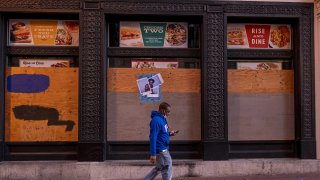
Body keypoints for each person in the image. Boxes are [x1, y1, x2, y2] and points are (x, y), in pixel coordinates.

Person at [143, 102, 179, 180]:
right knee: (167, 167)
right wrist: (153, 154)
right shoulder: (156, 121)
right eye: (168, 111)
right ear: (163, 110)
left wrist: (170, 133)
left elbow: (162, 133)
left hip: (163, 148)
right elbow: (153, 138)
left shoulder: (162, 119)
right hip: (161, 150)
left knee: (159, 168)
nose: (169, 113)